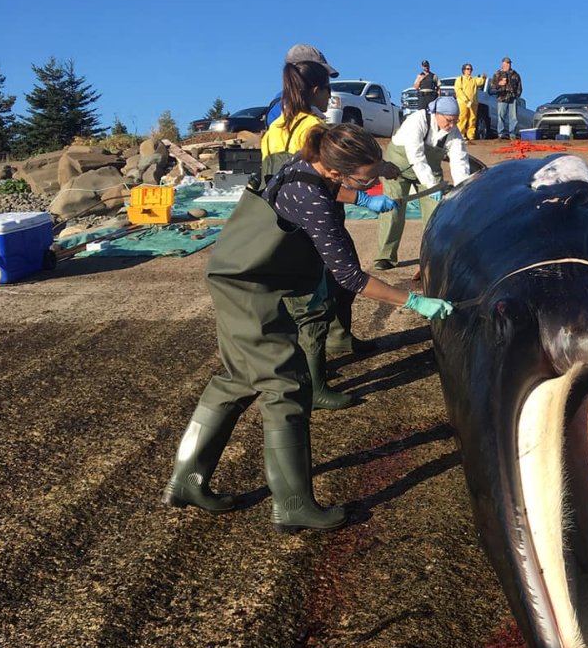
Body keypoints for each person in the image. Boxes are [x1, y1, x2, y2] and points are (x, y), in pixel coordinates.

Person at [163, 124, 454, 533]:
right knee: (287, 386)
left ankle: (187, 480)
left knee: (238, 380)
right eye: (362, 179)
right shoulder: (313, 199)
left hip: (235, 275)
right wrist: (412, 300)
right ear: (337, 171)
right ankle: (293, 505)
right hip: (249, 288)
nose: (369, 183)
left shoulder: (308, 162)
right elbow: (350, 277)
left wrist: (375, 183)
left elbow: (335, 185)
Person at [261, 50, 391, 411]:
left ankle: (339, 338)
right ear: (315, 89)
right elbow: (320, 179)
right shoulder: (312, 129)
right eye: (328, 87)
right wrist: (365, 195)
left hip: (287, 220)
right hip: (312, 222)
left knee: (327, 287)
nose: (331, 95)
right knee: (317, 299)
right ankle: (314, 382)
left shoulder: (275, 125)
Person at [372, 96, 472, 272]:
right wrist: (431, 185)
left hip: (430, 171)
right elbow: (416, 155)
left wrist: (462, 189)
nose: (451, 125)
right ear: (436, 114)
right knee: (393, 209)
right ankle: (385, 256)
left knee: (436, 213)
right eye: (448, 120)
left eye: (455, 121)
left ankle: (433, 258)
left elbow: (459, 161)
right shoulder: (417, 120)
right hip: (398, 168)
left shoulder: (453, 133)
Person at [489, 56, 523, 139]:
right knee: (501, 116)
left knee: (513, 117)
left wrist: (517, 95)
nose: (508, 64)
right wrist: (499, 84)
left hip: (512, 98)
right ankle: (501, 134)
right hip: (502, 97)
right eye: (506, 63)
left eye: (509, 63)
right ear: (503, 63)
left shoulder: (515, 74)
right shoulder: (498, 74)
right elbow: (492, 86)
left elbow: (519, 86)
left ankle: (512, 134)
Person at [454, 63, 486, 141]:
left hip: (473, 103)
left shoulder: (473, 79)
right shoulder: (459, 79)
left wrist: (483, 77)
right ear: (464, 70)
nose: (469, 70)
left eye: (471, 69)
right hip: (463, 103)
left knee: (472, 119)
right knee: (462, 118)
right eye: (468, 69)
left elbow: (480, 82)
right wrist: (465, 100)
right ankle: (461, 135)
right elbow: (458, 90)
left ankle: (471, 136)